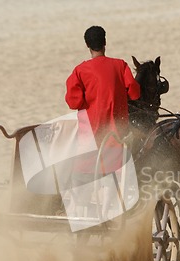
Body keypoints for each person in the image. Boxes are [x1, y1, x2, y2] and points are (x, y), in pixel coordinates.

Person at [64, 26, 140, 220]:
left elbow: (73, 102)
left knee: (82, 169)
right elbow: (135, 93)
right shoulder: (120, 65)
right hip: (115, 135)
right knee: (114, 172)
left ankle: (79, 210)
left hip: (89, 135)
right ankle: (106, 213)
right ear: (105, 43)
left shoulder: (80, 71)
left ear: (88, 46)